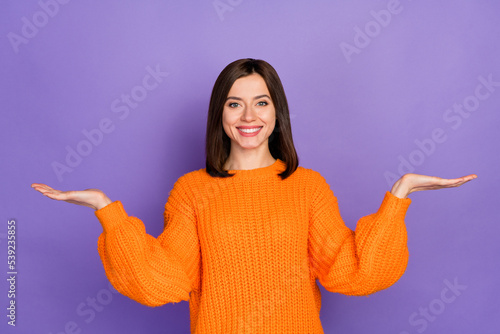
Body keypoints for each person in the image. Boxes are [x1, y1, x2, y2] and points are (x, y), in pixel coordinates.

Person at [32, 58, 477, 333]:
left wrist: (398, 196)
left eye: (261, 102)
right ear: (220, 114)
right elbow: (162, 280)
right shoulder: (192, 190)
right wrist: (105, 210)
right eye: (234, 103)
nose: (248, 115)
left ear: (277, 112)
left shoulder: (308, 186)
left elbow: (351, 271)